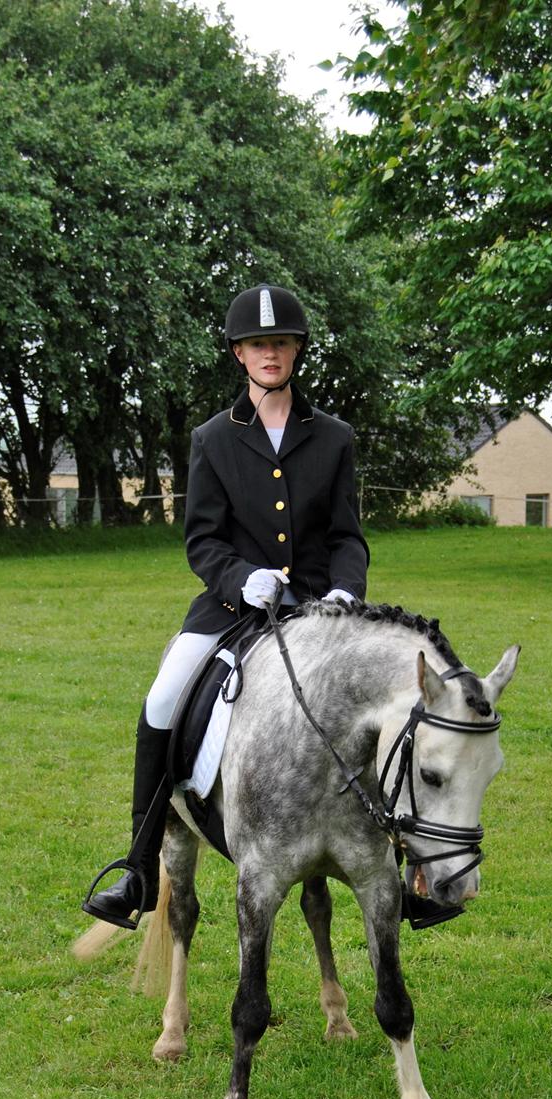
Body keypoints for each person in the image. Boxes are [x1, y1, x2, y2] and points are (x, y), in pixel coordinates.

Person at [82, 283, 370, 928]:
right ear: (239, 353)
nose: (271, 353)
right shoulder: (212, 438)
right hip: (232, 608)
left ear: (297, 350)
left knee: (390, 702)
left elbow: (348, 537)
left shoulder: (334, 438)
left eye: (282, 342)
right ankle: (137, 869)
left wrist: (346, 592)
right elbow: (203, 540)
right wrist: (241, 579)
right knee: (163, 699)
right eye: (258, 344)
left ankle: (408, 866)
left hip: (323, 610)